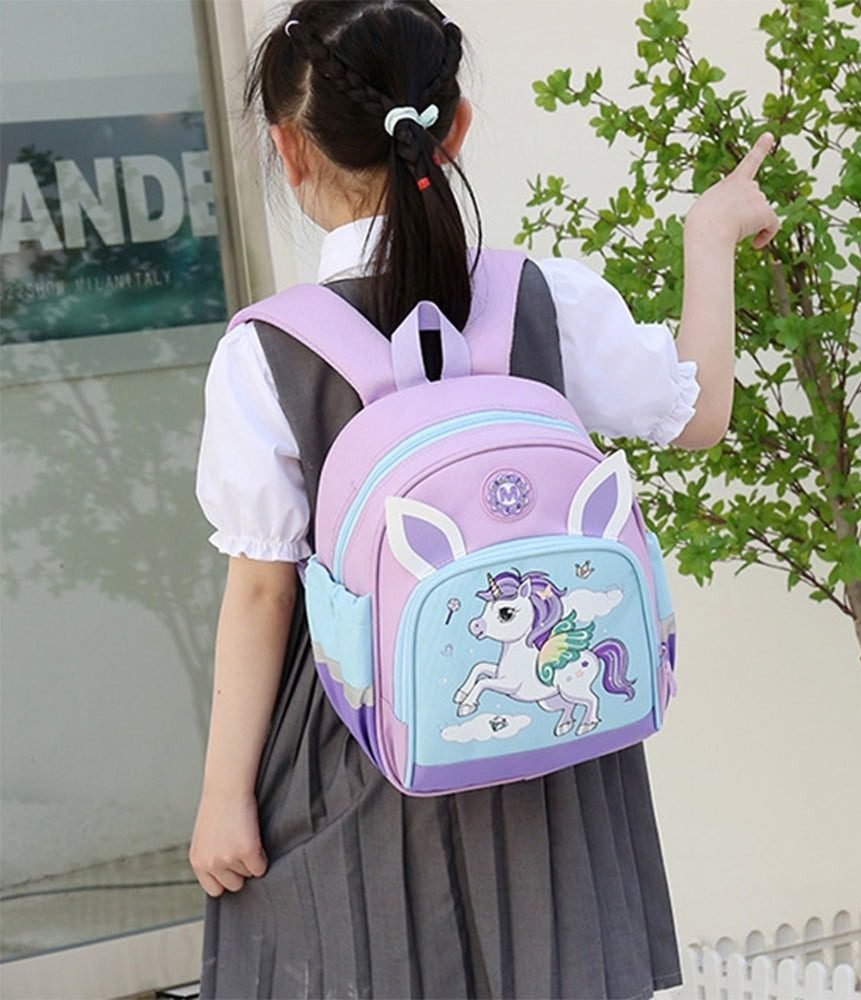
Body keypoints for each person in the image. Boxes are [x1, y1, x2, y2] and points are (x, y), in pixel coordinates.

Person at [190, 2, 780, 998]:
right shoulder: (543, 296)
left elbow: (262, 590)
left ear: (289, 151)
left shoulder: (266, 351)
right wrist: (708, 232)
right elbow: (698, 412)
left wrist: (222, 797)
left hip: (361, 741)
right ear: (453, 128)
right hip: (549, 746)